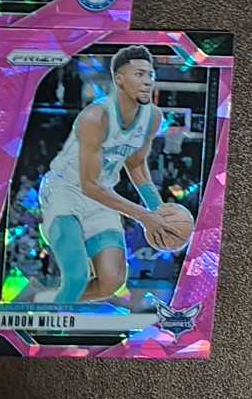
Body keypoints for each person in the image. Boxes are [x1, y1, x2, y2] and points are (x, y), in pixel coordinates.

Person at [34, 45, 169, 304]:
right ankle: (56, 320)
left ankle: (54, 303)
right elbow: (90, 185)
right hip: (66, 189)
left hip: (102, 194)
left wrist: (158, 209)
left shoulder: (152, 116)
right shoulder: (96, 117)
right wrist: (144, 216)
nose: (147, 81)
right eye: (139, 74)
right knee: (77, 277)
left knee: (111, 282)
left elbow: (136, 164)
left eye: (150, 75)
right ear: (119, 79)